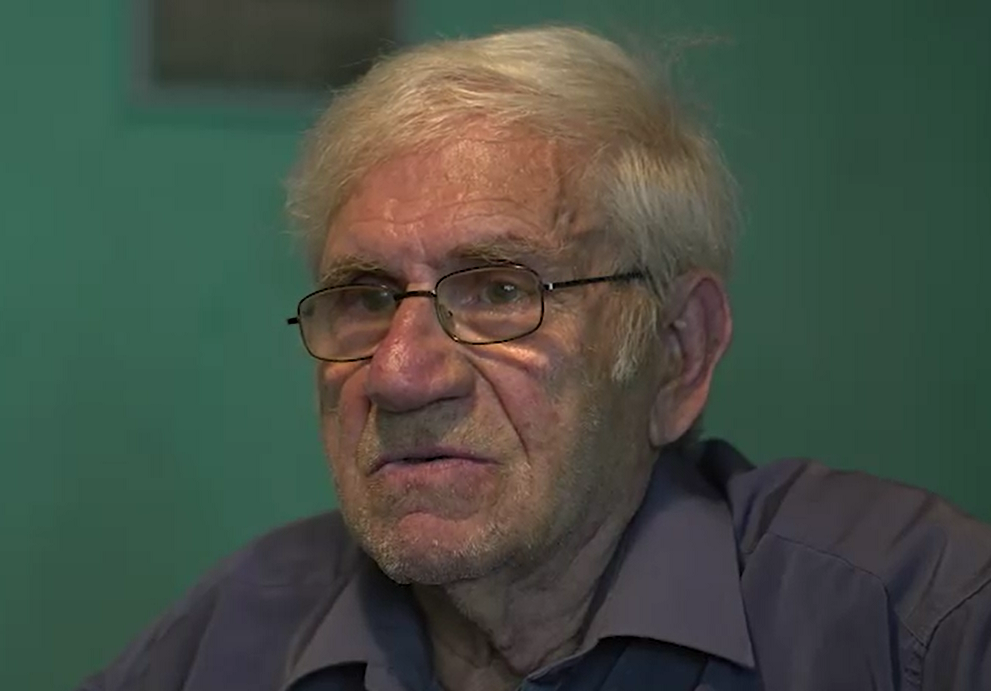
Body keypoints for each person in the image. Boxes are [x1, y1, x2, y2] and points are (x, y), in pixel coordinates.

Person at [77, 25, 990, 691]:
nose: (398, 373)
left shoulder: (912, 621)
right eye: (364, 298)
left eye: (499, 291)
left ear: (676, 351)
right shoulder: (229, 636)